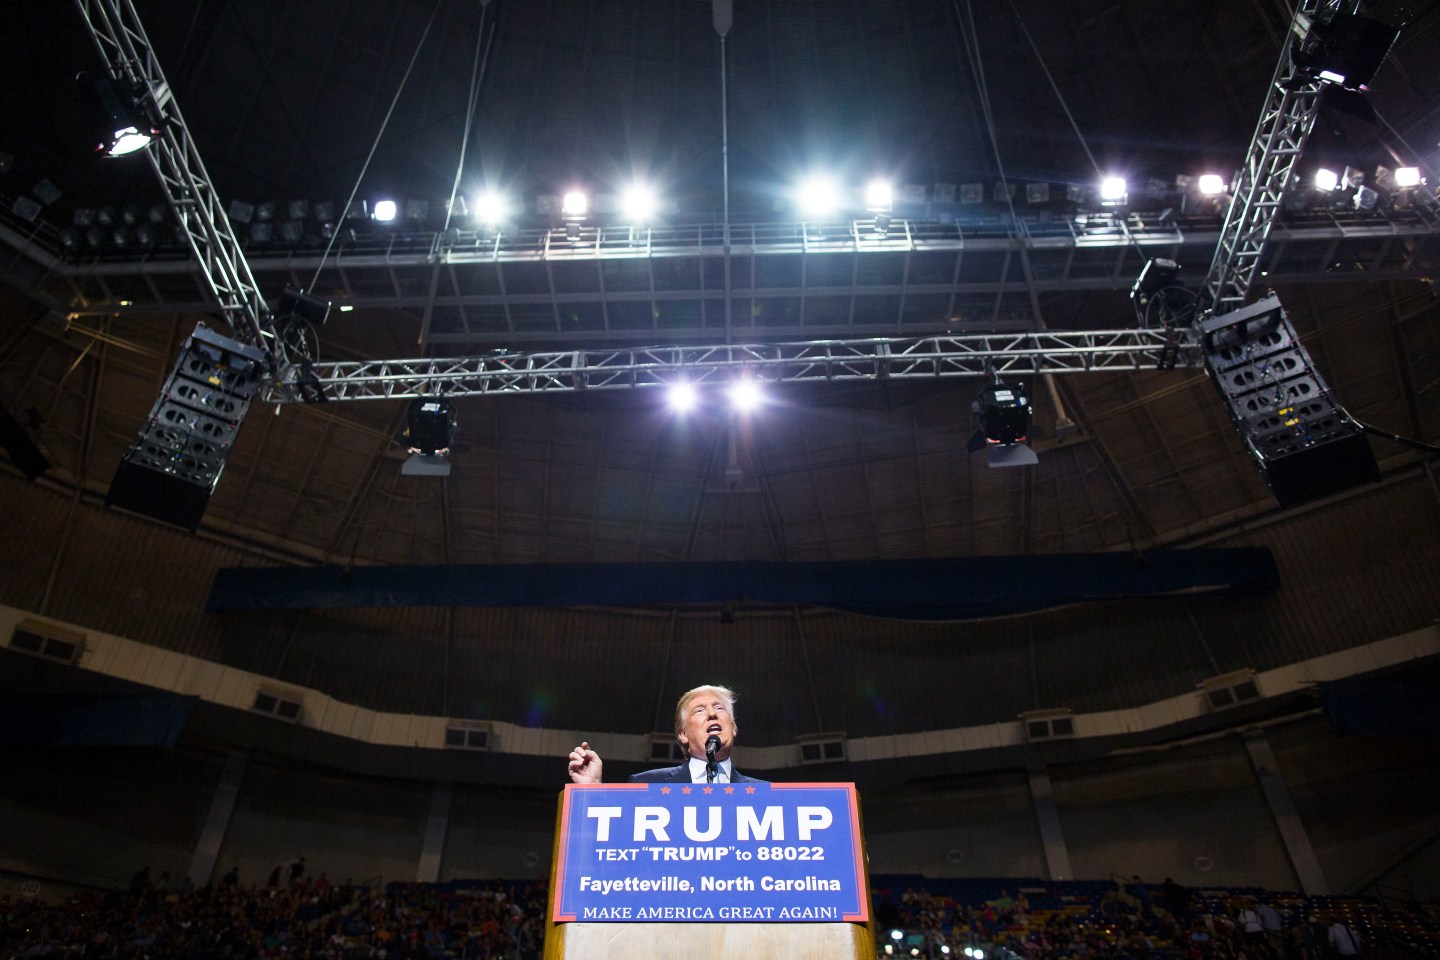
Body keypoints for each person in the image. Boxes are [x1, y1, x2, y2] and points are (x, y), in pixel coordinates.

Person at [567, 684, 765, 784]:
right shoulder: (646, 785)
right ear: (683, 734)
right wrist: (590, 792)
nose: (712, 714)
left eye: (720, 708)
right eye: (699, 710)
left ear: (734, 727)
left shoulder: (769, 795)